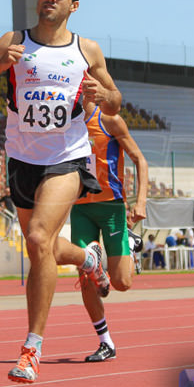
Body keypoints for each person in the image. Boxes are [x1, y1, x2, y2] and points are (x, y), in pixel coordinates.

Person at [0, 0, 121, 384]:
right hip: (21, 160)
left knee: (37, 240)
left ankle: (32, 349)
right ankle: (88, 257)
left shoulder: (87, 50)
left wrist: (105, 96)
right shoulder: (13, 42)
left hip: (67, 158)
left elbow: (116, 101)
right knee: (42, 250)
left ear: (74, 5)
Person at [70, 98, 148, 362]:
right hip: (80, 208)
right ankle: (106, 342)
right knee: (85, 276)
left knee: (122, 284)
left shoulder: (109, 121)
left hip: (111, 206)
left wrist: (140, 201)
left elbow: (140, 160)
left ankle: (130, 244)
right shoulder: (65, 123)